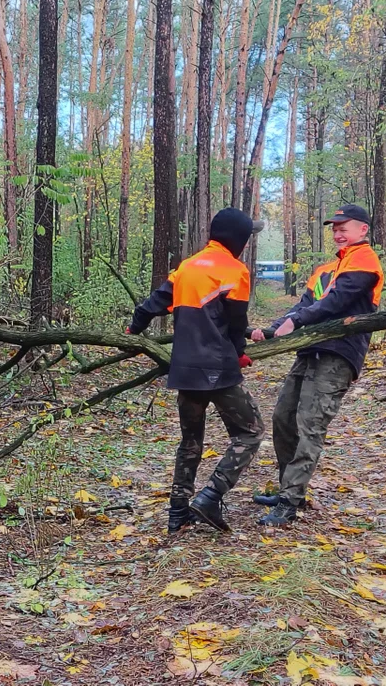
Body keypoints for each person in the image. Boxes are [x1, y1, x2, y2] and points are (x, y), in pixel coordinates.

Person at [127, 209, 265, 534]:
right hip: (218, 369)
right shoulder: (236, 271)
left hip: (185, 370)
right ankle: (210, 496)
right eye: (246, 238)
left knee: (190, 442)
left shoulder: (187, 268)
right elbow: (236, 323)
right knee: (251, 432)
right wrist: (239, 354)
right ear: (239, 240)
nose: (246, 244)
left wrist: (134, 329)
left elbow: (153, 304)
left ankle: (178, 514)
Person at [250, 204, 384, 526]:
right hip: (310, 349)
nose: (338, 234)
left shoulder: (365, 260)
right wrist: (272, 329)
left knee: (310, 424)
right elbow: (305, 304)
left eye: (344, 228)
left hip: (339, 353)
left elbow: (336, 302)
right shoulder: (325, 269)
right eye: (335, 229)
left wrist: (296, 321)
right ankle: (288, 488)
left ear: (362, 229)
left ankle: (290, 500)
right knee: (283, 417)